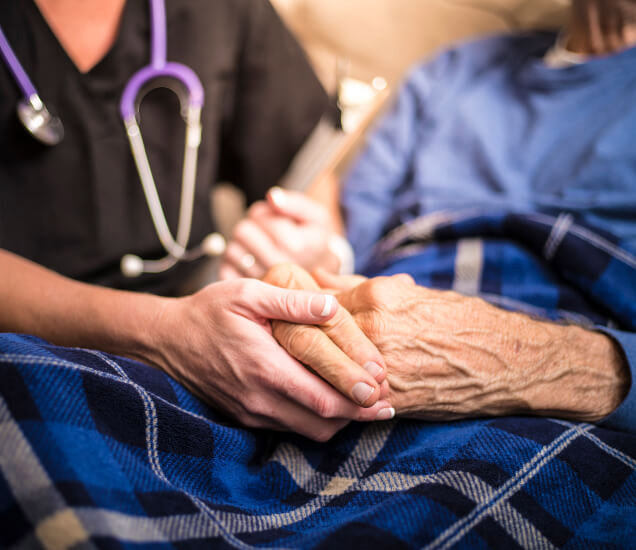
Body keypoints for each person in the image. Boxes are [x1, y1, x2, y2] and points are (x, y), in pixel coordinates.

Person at [0, 0, 396, 442]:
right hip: (15, 356)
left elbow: (307, 174)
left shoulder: (223, 11)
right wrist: (164, 334)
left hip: (212, 341)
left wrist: (319, 248)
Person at [222, 0, 636, 431]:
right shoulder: (450, 71)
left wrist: (529, 362)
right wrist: (316, 256)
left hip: (561, 382)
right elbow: (351, 244)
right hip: (383, 331)